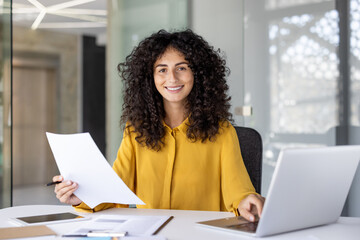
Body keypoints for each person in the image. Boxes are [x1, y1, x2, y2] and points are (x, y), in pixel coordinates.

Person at [53, 29, 265, 222]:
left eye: (181, 68)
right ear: (150, 78)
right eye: (162, 70)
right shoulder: (135, 131)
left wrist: (246, 201)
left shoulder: (221, 131)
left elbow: (238, 190)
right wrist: (79, 197)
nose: (172, 78)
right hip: (149, 233)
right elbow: (113, 194)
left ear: (198, 74)